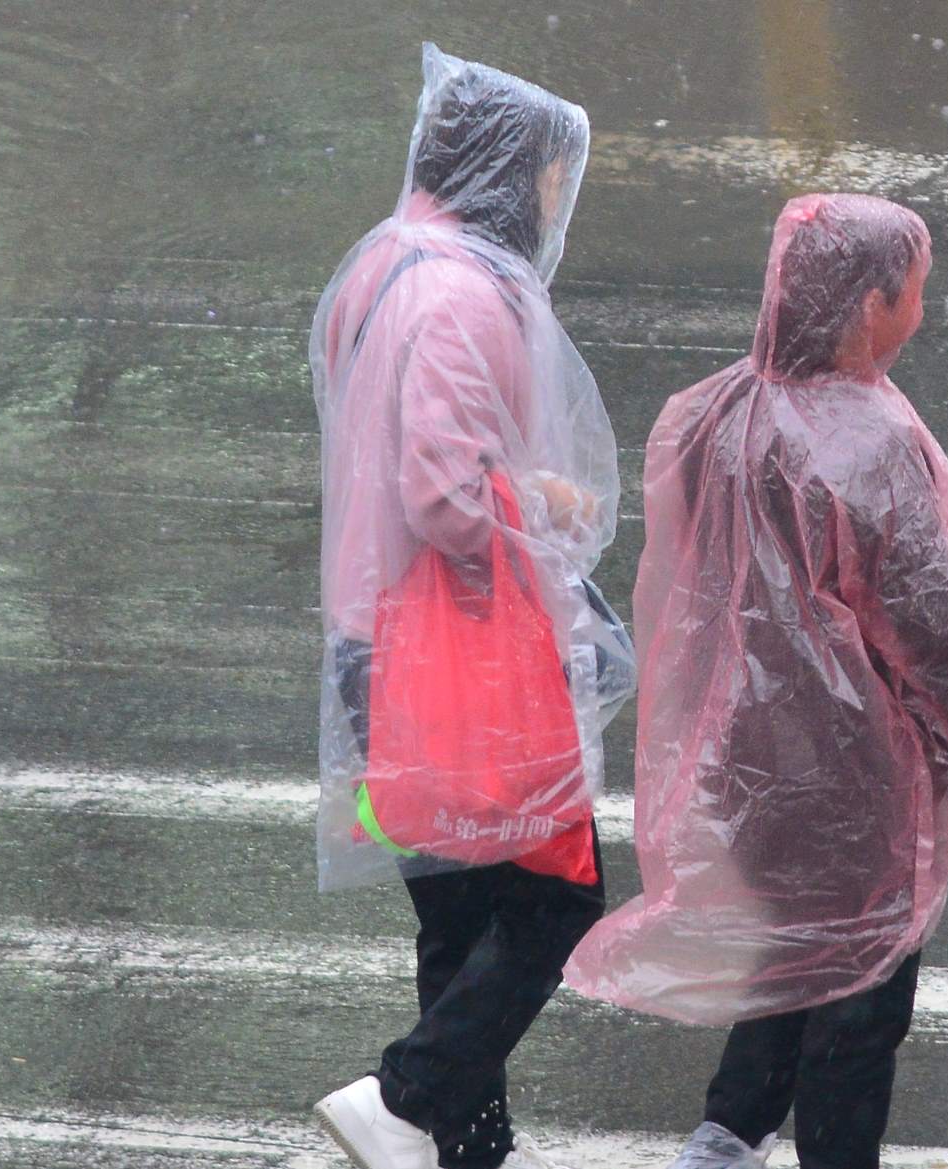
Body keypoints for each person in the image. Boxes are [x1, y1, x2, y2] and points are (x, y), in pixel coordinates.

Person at [563, 194, 948, 1169]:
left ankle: (725, 1136)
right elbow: (931, 620)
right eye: (913, 289)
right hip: (854, 767)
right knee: (856, 998)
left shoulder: (712, 411)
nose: (920, 308)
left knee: (785, 952)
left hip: (743, 754)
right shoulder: (867, 438)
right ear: (869, 304)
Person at [308, 44, 629, 1169]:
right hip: (449, 654)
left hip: (373, 637)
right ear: (506, 171)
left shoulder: (383, 263)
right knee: (553, 898)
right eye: (549, 172)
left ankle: (467, 1149)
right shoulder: (457, 294)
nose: (555, 195)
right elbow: (443, 496)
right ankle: (404, 1099)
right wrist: (539, 501)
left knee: (458, 916)